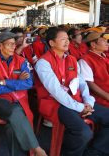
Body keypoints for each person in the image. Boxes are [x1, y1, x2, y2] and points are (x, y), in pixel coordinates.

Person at [35, 27, 109, 156]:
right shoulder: (43, 63)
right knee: (83, 132)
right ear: (52, 43)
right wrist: (80, 107)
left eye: (67, 39)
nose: (67, 42)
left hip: (76, 100)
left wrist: (88, 101)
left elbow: (82, 83)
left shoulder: (71, 59)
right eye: (62, 39)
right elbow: (56, 91)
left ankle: (94, 152)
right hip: (55, 104)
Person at [0, 31, 46, 156]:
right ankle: (36, 148)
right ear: (0, 46)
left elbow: (29, 83)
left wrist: (5, 82)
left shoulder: (22, 61)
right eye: (9, 44)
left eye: (14, 44)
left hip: (19, 99)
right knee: (15, 111)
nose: (13, 47)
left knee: (11, 127)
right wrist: (18, 83)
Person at [79, 32, 109, 107]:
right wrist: (107, 96)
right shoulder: (85, 60)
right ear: (93, 45)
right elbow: (89, 83)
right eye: (103, 41)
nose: (107, 43)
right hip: (102, 97)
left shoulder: (104, 56)